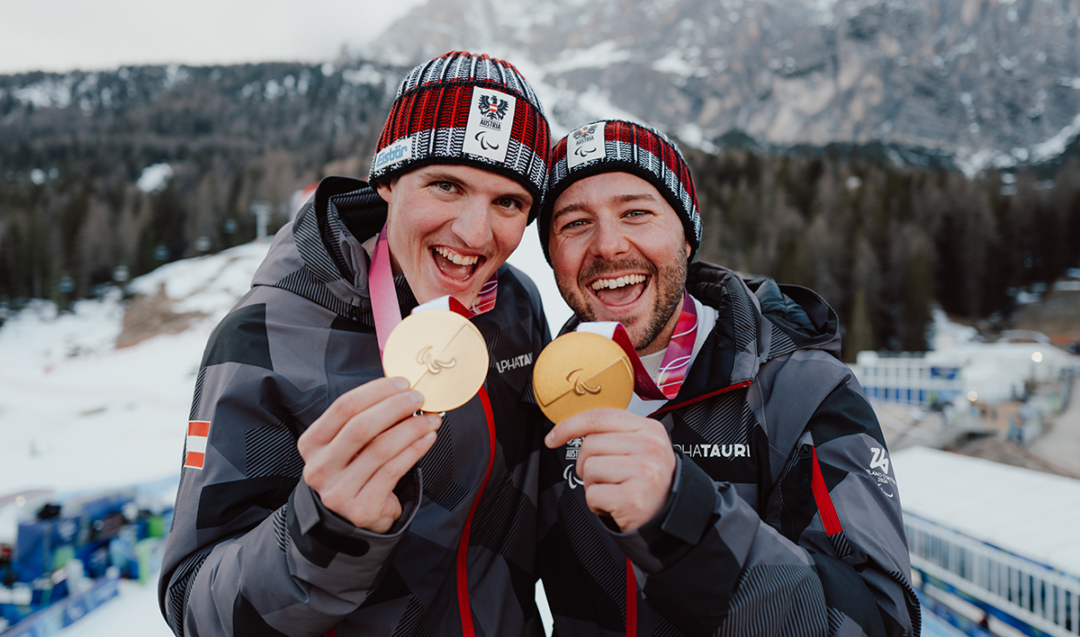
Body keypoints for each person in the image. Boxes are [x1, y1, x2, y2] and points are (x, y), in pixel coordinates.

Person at [158, 51, 553, 636]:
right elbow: (195, 604)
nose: (475, 234)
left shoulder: (514, 305)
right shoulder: (264, 336)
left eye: (509, 202)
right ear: (389, 181)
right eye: (446, 185)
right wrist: (323, 532)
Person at [535, 120, 921, 637]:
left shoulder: (799, 391)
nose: (608, 246)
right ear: (553, 258)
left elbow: (879, 622)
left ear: (686, 237)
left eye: (636, 212)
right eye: (575, 224)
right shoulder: (541, 395)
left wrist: (687, 521)